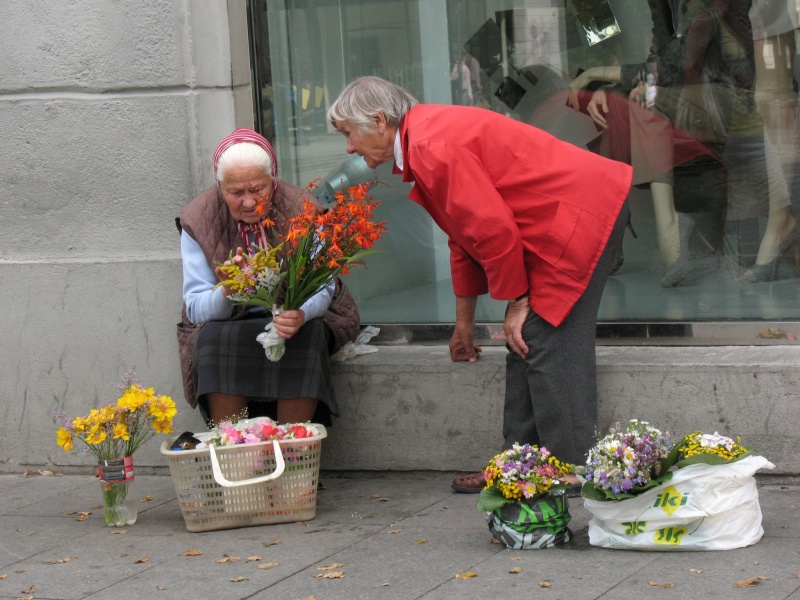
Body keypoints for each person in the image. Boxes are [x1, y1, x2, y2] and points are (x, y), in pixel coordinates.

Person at [327, 76, 632, 492]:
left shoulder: (429, 145)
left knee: (544, 339)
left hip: (580, 213)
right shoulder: (424, 137)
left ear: (379, 121)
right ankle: (517, 467)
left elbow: (493, 232)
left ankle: (571, 470)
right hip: (568, 213)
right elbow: (464, 237)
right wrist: (464, 325)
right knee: (527, 340)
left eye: (349, 133)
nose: (349, 147)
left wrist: (519, 300)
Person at [176, 128, 361, 425]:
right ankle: (235, 448)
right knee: (210, 341)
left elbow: (323, 286)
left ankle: (293, 448)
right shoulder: (198, 219)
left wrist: (301, 312)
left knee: (307, 335)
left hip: (296, 316)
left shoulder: (303, 208)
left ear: (272, 179)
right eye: (236, 193)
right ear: (220, 187)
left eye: (258, 189)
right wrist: (226, 291)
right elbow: (196, 308)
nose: (249, 202)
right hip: (231, 320)